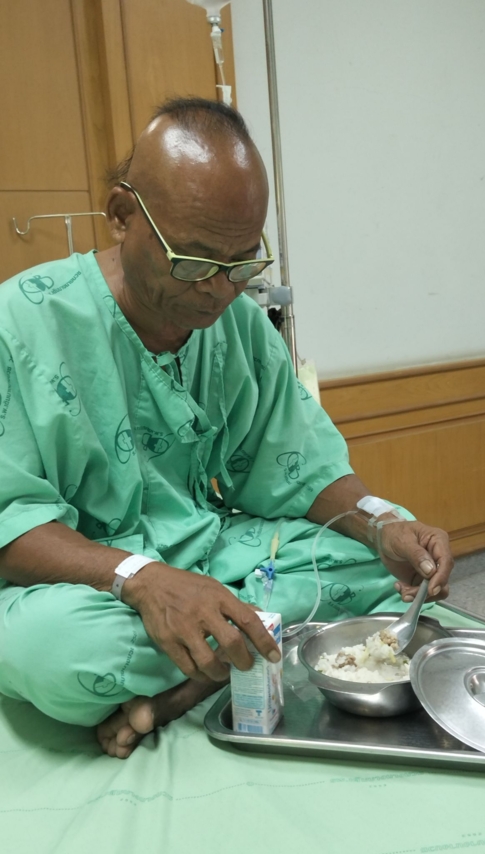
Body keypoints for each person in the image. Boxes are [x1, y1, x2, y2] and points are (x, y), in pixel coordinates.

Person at [0, 98, 453, 759]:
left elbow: (297, 464)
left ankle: (193, 679)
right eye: (194, 261)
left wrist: (380, 521)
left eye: (241, 264)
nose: (218, 290)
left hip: (213, 550)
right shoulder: (19, 325)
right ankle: (244, 646)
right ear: (123, 214)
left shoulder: (237, 324)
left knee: (387, 559)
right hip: (88, 582)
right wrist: (142, 578)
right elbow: (11, 526)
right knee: (57, 652)